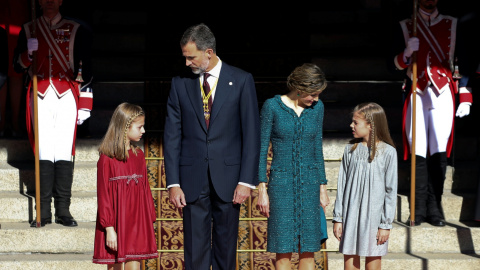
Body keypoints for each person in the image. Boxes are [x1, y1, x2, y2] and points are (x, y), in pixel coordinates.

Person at [163, 23, 260, 270]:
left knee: (226, 249)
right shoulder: (180, 83)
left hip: (229, 179)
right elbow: (172, 136)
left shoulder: (241, 80)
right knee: (194, 251)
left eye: (191, 57)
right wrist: (173, 183)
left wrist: (246, 181)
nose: (187, 63)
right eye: (184, 57)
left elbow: (251, 135)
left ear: (209, 52)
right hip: (192, 179)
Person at [391, 0, 472, 226]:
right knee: (417, 148)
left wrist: (465, 95)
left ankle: (435, 209)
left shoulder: (452, 24)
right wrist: (406, 53)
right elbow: (392, 64)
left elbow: (463, 61)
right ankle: (417, 209)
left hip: (444, 90)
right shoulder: (406, 25)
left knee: (438, 148)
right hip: (416, 89)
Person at [13, 0, 93, 227]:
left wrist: (86, 101)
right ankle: (44, 211)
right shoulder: (28, 29)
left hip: (67, 94)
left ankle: (63, 210)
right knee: (44, 151)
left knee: (64, 152)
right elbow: (17, 67)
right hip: (39, 94)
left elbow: (85, 67)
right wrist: (28, 54)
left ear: (61, 1)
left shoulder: (75, 29)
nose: (49, 1)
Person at [256, 63, 329, 270]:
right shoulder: (272, 106)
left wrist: (322, 187)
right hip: (281, 185)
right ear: (299, 88)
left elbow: (317, 148)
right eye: (312, 94)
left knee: (308, 247)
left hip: (310, 184)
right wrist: (262, 188)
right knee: (283, 247)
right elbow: (261, 150)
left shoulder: (317, 108)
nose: (315, 99)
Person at [92, 102, 158, 269]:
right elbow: (104, 196)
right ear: (125, 127)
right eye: (139, 127)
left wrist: (149, 218)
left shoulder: (139, 155)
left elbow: (145, 190)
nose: (143, 131)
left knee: (134, 265)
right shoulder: (107, 159)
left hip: (136, 222)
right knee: (115, 266)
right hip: (115, 224)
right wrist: (109, 229)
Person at [332, 102, 398, 270]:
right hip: (350, 214)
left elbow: (391, 191)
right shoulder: (350, 150)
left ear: (371, 125)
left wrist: (385, 224)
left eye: (356, 122)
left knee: (373, 261)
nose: (351, 125)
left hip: (374, 218)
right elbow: (342, 185)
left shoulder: (388, 152)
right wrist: (338, 218)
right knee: (350, 263)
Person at [0, 0, 29, 138]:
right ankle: (1, 123)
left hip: (18, 16)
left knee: (16, 71)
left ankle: (15, 122)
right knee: (1, 74)